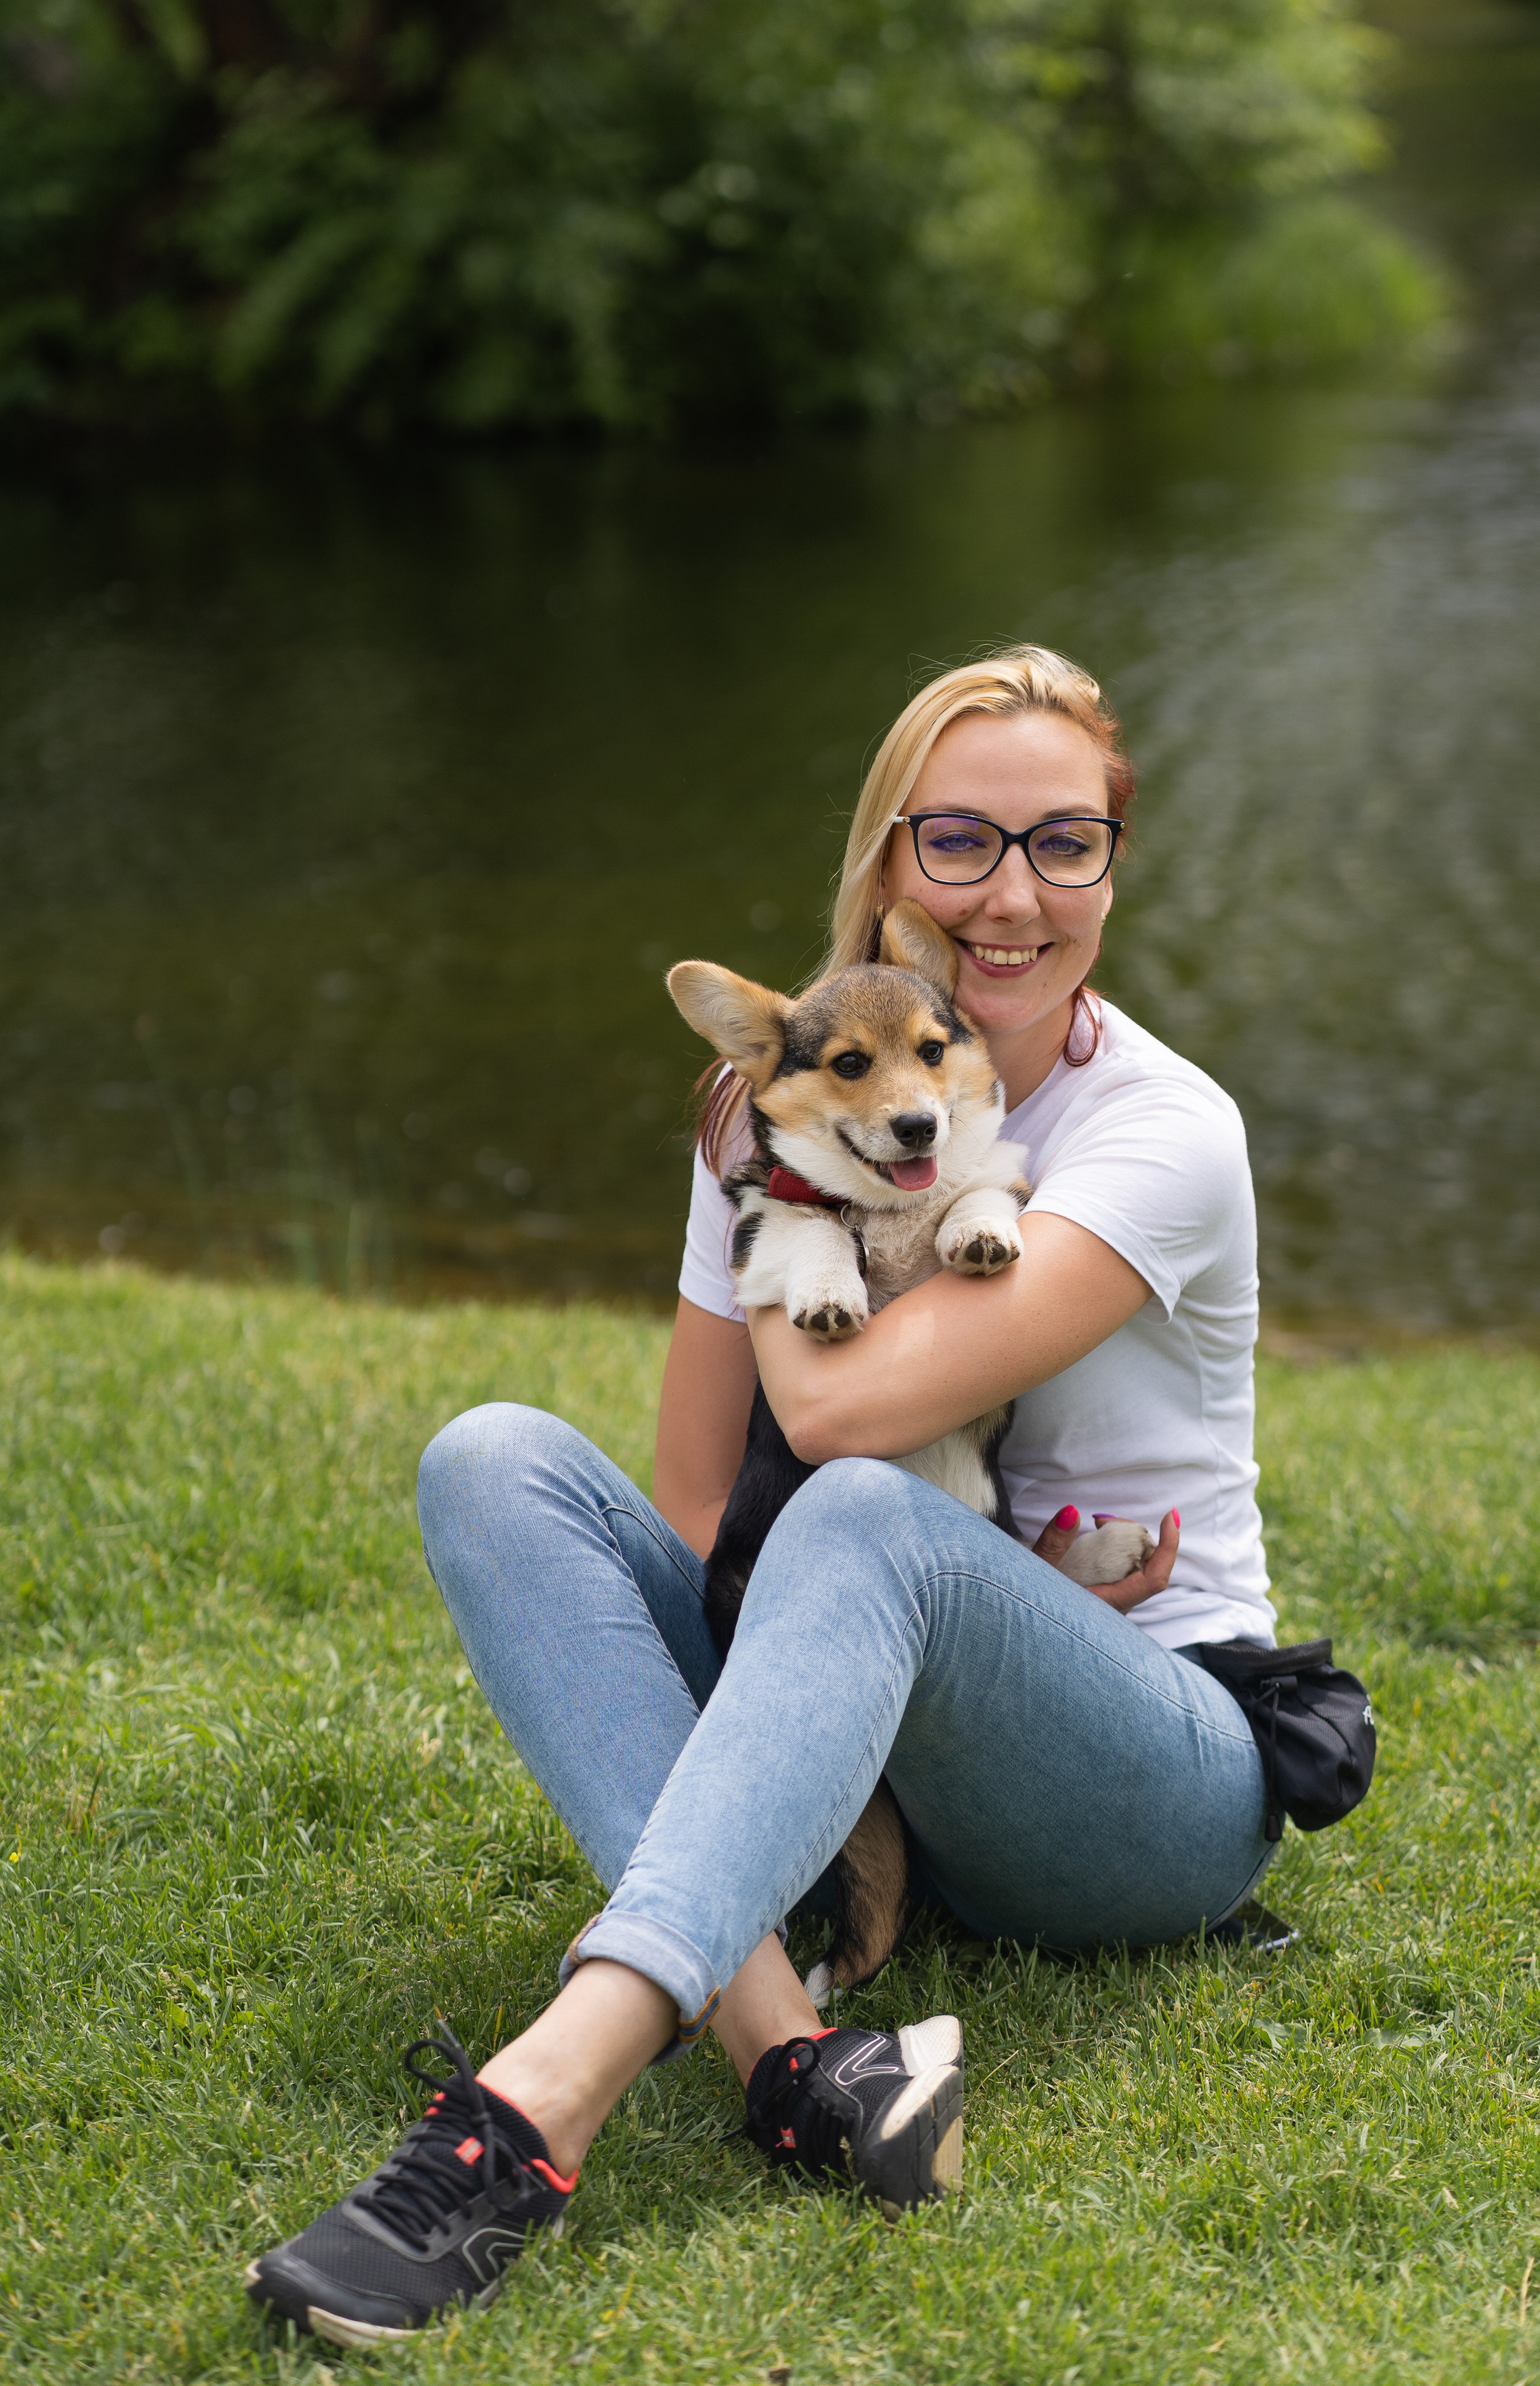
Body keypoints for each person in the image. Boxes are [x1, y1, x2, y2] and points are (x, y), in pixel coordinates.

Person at [245, 645, 1279, 2347]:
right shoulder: (775, 1103)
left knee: (855, 1505)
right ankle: (799, 2065)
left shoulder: (1156, 1129)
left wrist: (774, 1187)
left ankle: (534, 2106)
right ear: (888, 861)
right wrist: (787, 1721)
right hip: (883, 1728)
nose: (1012, 895)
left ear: (1111, 865)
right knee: (493, 1457)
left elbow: (840, 1413)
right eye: (960, 840)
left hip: (1146, 1768)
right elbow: (690, 1487)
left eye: (1065, 843)